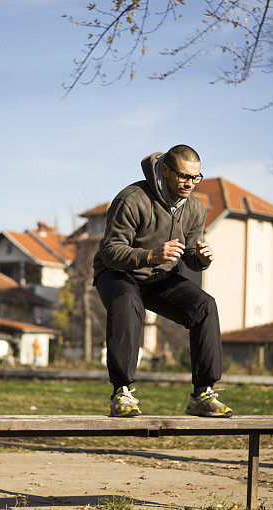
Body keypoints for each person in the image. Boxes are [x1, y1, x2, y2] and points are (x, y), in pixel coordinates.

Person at [93, 144, 232, 418]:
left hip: (160, 277)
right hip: (118, 274)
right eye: (183, 177)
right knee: (127, 303)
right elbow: (110, 252)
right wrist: (151, 255)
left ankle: (202, 394)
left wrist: (201, 258)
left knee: (205, 306)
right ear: (165, 171)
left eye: (196, 177)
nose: (190, 184)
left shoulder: (194, 208)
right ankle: (121, 392)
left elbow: (190, 254)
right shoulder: (132, 199)